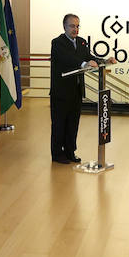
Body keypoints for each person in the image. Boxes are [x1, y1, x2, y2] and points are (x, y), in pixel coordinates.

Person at [49, 14, 111, 163]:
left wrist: (104, 61)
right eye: (72, 26)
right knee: (59, 124)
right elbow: (67, 58)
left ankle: (70, 152)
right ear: (64, 26)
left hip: (76, 91)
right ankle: (57, 154)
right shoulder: (57, 43)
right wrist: (83, 64)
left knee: (73, 124)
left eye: (77, 26)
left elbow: (89, 56)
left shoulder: (82, 42)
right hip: (61, 93)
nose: (75, 29)